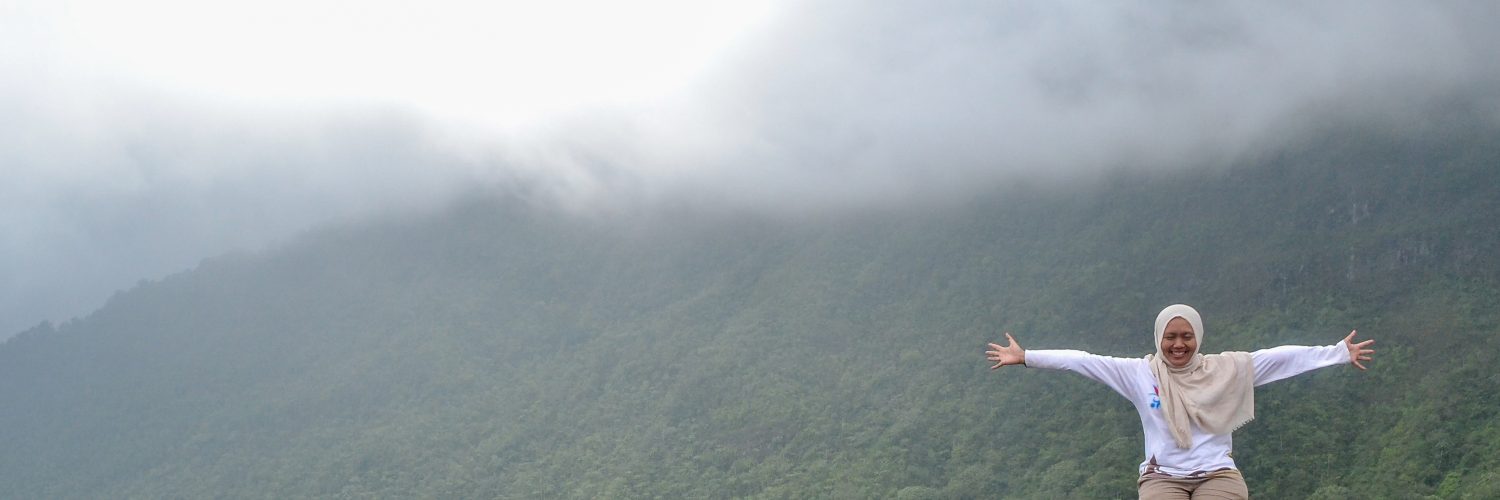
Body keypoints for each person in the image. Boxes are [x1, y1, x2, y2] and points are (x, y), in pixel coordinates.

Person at [984, 304, 1375, 499]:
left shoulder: (1226, 370)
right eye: (1170, 337)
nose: (1178, 344)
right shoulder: (1140, 374)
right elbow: (1082, 361)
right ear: (1159, 339)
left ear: (1198, 337)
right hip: (1162, 476)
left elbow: (1280, 358)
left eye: (1186, 336)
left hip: (1217, 474)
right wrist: (1027, 356)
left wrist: (1337, 353)